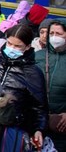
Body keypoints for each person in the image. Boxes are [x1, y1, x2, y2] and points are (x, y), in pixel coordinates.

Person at [0, 24, 48, 147]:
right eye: (9, 43)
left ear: (28, 46)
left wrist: (38, 129)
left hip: (11, 130)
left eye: (17, 46)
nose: (12, 48)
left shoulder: (34, 74)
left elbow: (39, 108)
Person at [35, 19, 66, 151]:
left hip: (61, 126)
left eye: (58, 34)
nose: (54, 37)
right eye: (51, 33)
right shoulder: (38, 57)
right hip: (38, 122)